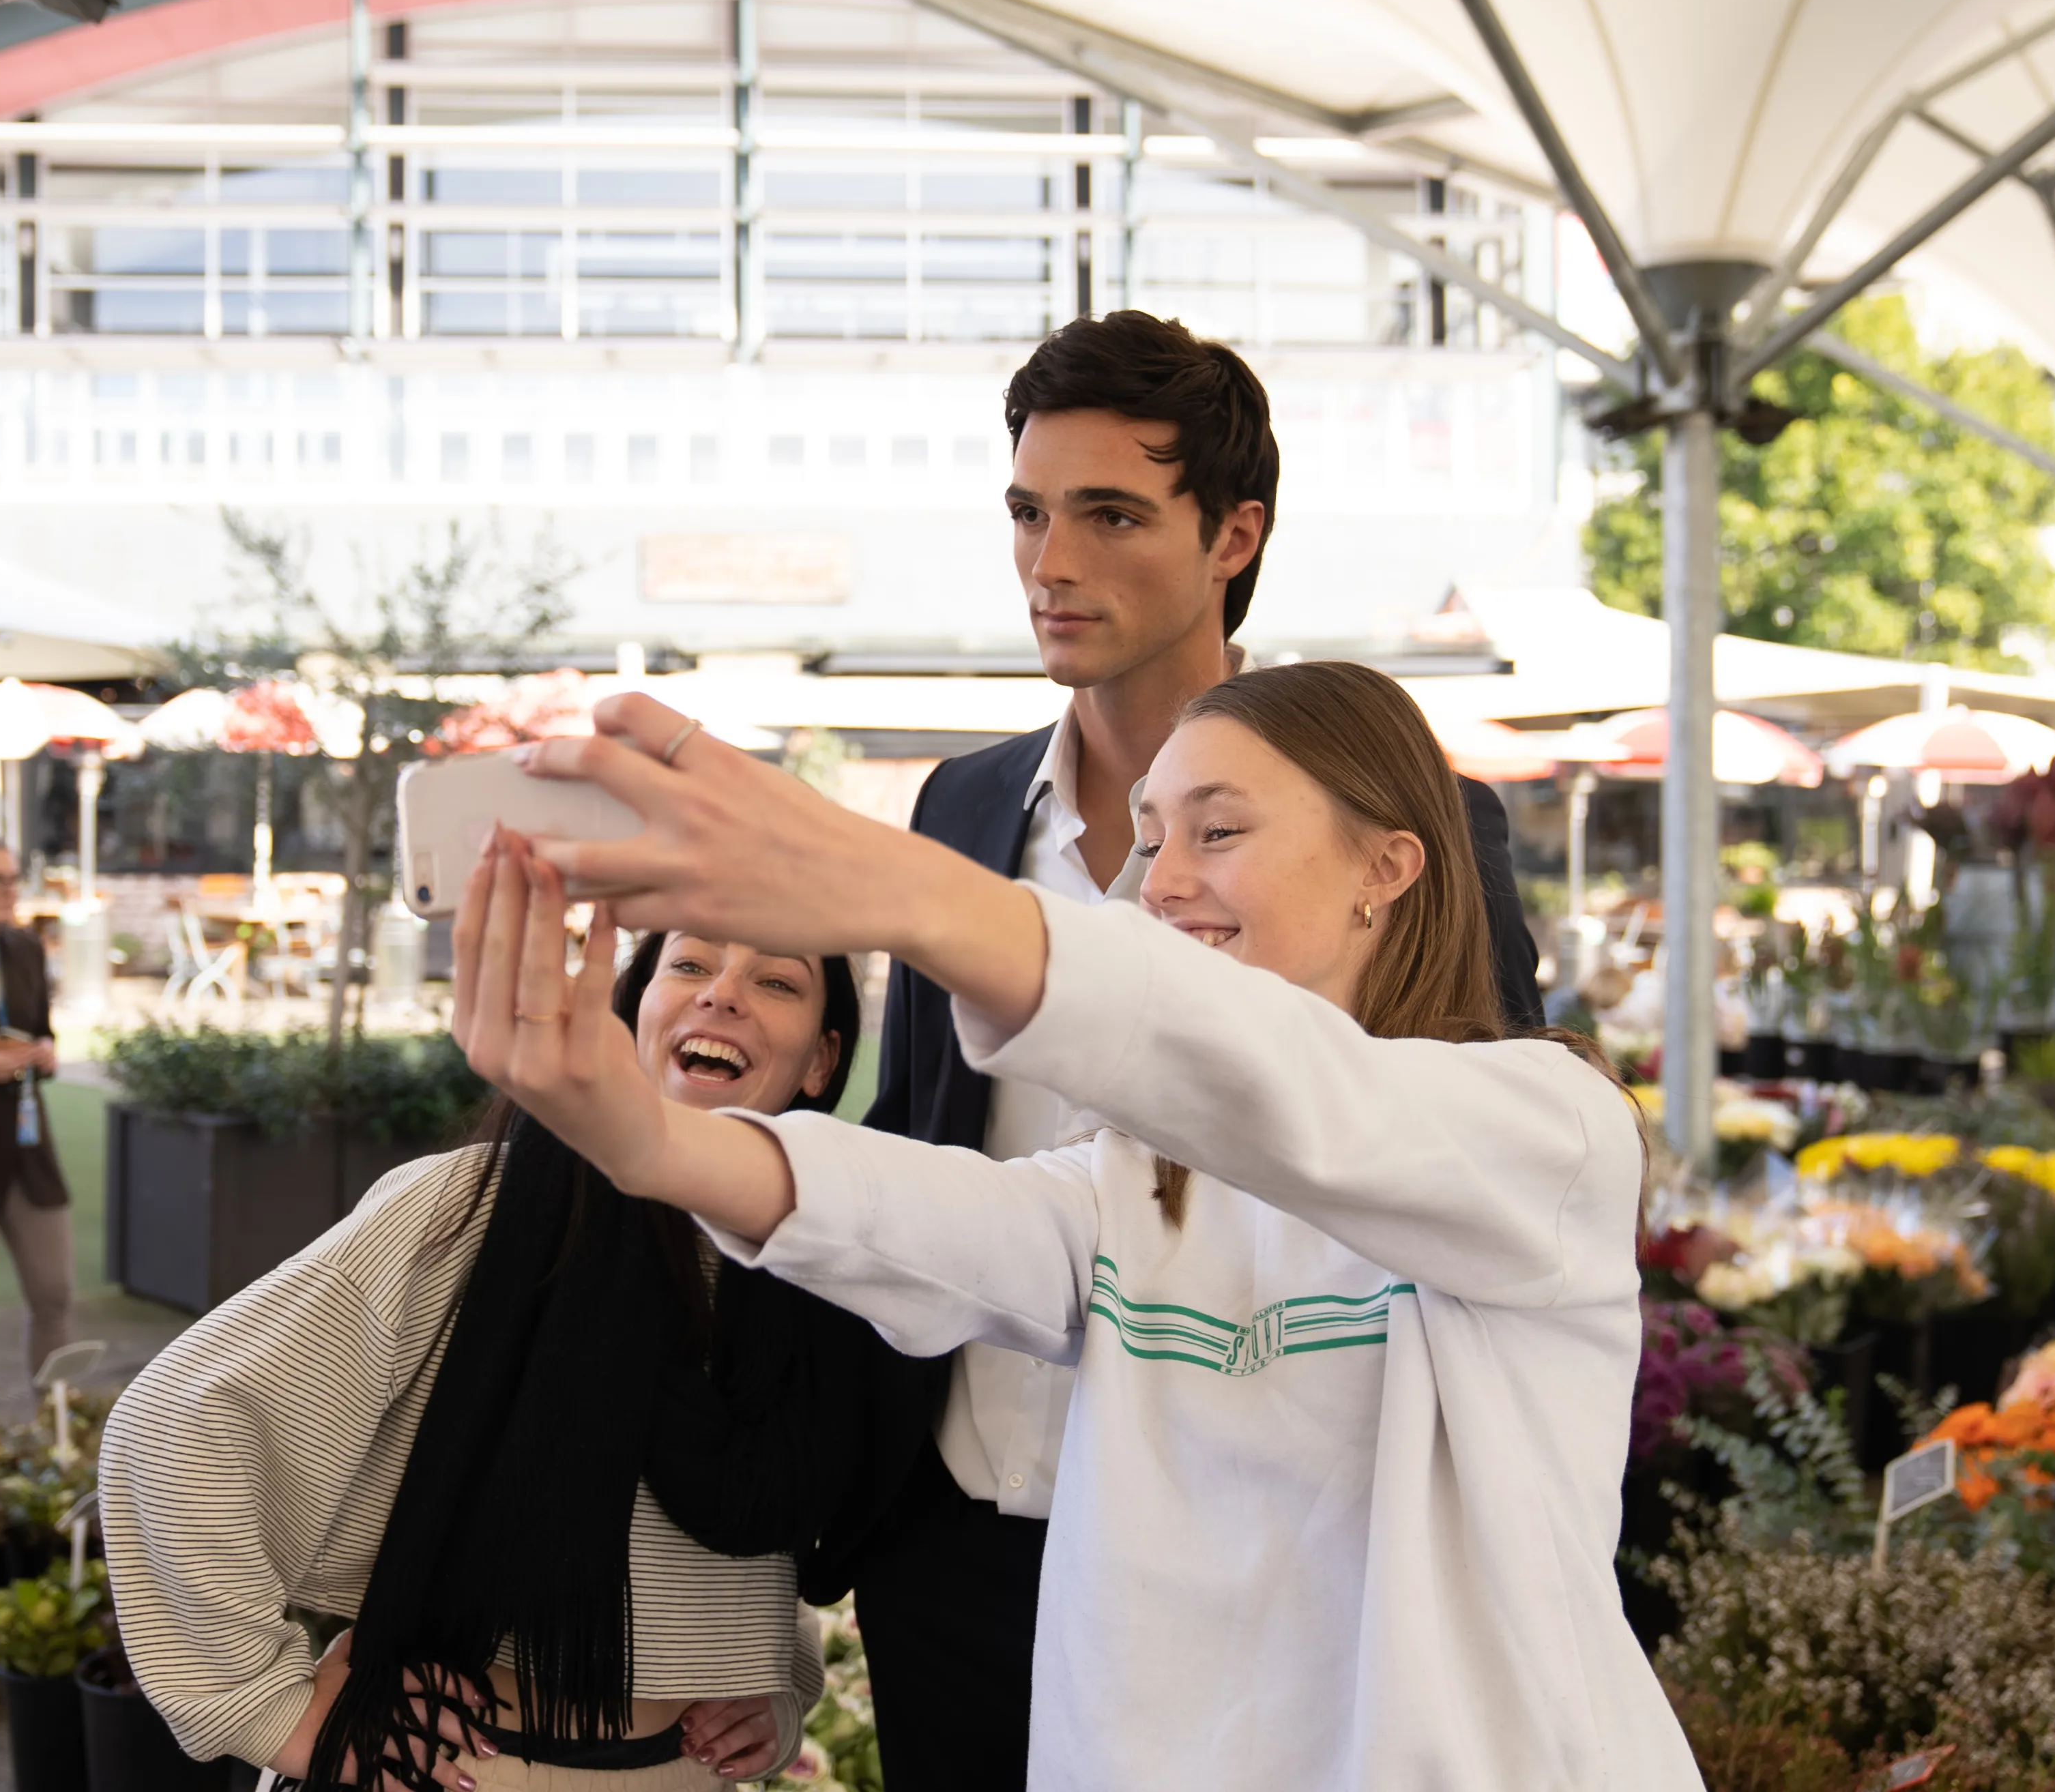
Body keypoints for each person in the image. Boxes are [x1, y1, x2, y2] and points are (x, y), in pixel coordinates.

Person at [452, 664, 1697, 1790]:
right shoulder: (1144, 1182)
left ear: (1390, 866)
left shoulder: (1546, 1130)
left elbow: (1305, 1097)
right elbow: (928, 1216)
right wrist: (648, 1137)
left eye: (1219, 830)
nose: (1160, 883)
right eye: (1151, 839)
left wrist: (896, 891)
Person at [854, 310, 1543, 1787]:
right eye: (1030, 513)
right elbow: (922, 1135)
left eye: (1110, 514)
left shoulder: (1395, 821)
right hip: (959, 1533)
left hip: (1259, 1540)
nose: (1052, 562)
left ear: (1233, 535)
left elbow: (1469, 1164)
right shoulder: (961, 814)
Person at [98, 928, 937, 1792]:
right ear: (632, 1015)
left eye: (776, 982)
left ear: (821, 1058)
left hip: (681, 1775)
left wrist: (773, 1684)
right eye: (688, 964)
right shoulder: (481, 1209)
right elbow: (176, 1426)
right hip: (456, 1767)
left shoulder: (818, 1277)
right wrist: (267, 1712)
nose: (721, 993)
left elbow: (775, 1521)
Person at [0, 833, 75, 1377]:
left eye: (13, 878)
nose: (10, 889)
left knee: (55, 1293)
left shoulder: (26, 947)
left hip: (28, 1143)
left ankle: (56, 1436)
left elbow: (38, 1028)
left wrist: (43, 1051)